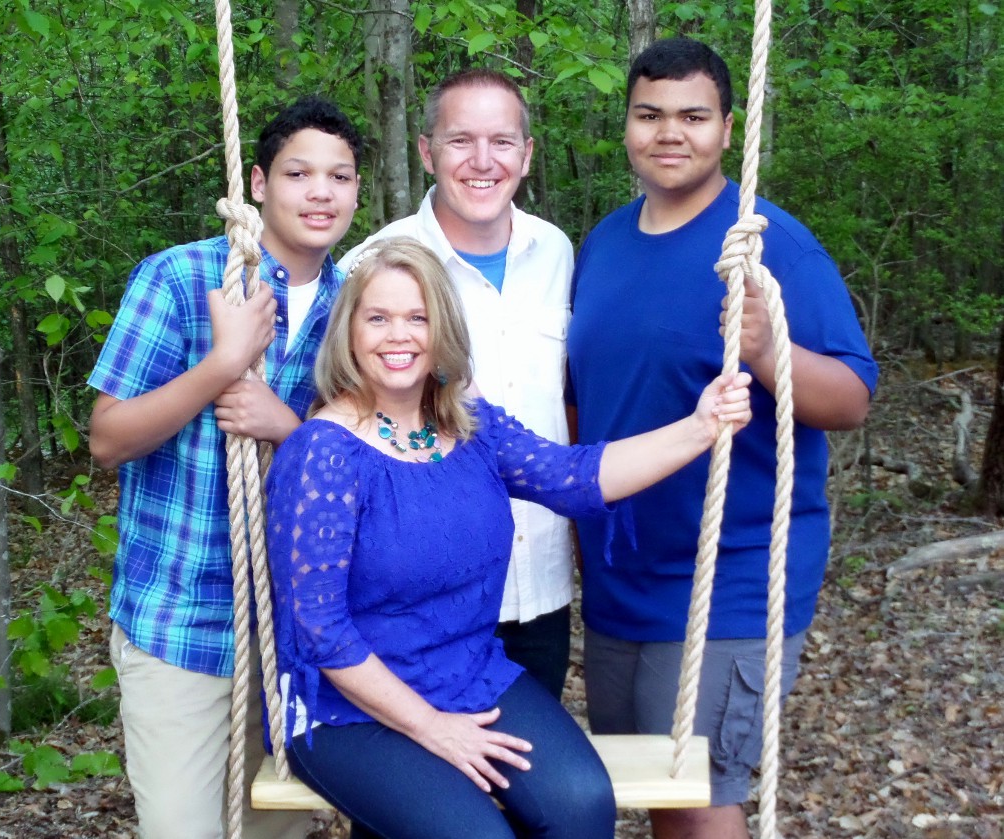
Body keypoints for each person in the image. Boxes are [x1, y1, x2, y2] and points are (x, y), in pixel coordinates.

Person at [266, 237, 754, 839]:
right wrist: (431, 727)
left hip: (465, 673)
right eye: (379, 318)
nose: (399, 336)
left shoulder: (471, 429)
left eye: (418, 318)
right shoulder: (323, 454)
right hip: (344, 707)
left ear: (442, 331)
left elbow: (575, 478)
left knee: (582, 804)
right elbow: (319, 630)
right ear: (349, 332)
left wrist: (701, 427)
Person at [568, 37, 879, 839]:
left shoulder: (770, 245)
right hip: (618, 575)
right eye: (649, 115)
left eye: (692, 116)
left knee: (698, 801)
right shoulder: (602, 244)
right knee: (649, 793)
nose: (669, 132)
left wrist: (770, 351)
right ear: (626, 125)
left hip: (729, 574)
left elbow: (851, 397)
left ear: (727, 128)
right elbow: (583, 401)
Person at [86, 96, 362, 839]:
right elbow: (108, 438)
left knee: (275, 829)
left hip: (298, 636)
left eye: (339, 177)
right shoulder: (180, 278)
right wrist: (222, 363)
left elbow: (371, 474)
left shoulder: (357, 310)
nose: (321, 193)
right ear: (258, 183)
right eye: (298, 173)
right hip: (182, 625)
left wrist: (286, 428)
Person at [339, 69, 578, 700]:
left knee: (532, 759)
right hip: (422, 599)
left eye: (502, 141)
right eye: (460, 140)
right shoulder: (372, 267)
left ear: (527, 154)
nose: (482, 160)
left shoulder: (556, 252)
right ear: (426, 151)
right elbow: (337, 425)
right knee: (428, 762)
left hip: (539, 584)